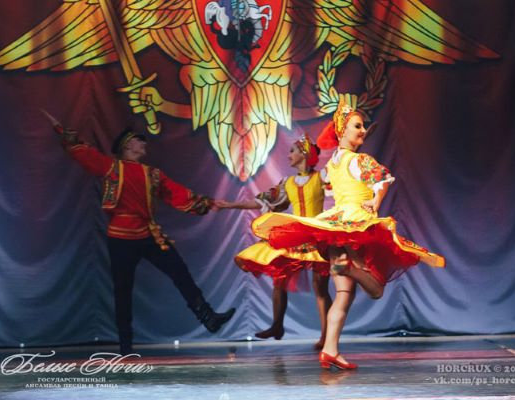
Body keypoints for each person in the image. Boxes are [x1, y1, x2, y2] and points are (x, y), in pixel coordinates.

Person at [250, 100, 445, 370]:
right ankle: (350, 269)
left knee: (343, 296)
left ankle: (330, 349)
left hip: (334, 227)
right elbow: (382, 180)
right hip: (354, 223)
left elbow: (332, 189)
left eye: (364, 126)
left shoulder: (332, 164)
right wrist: (375, 203)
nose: (363, 130)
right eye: (357, 126)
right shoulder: (359, 159)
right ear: (342, 131)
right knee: (375, 289)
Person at [44, 113, 235, 354]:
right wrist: (61, 129)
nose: (144, 144)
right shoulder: (111, 167)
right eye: (139, 140)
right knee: (122, 289)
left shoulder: (152, 174)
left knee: (180, 272)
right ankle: (125, 345)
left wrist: (208, 203)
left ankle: (209, 318)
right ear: (127, 145)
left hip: (148, 234)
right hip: (121, 237)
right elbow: (83, 152)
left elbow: (177, 194)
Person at [217, 134, 332, 350]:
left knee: (320, 287)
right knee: (279, 280)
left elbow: (340, 182)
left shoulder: (321, 178)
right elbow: (263, 200)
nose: (289, 155)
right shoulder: (287, 183)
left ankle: (327, 337)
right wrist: (230, 205)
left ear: (304, 153)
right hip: (296, 237)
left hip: (317, 237)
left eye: (292, 151)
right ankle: (277, 325)